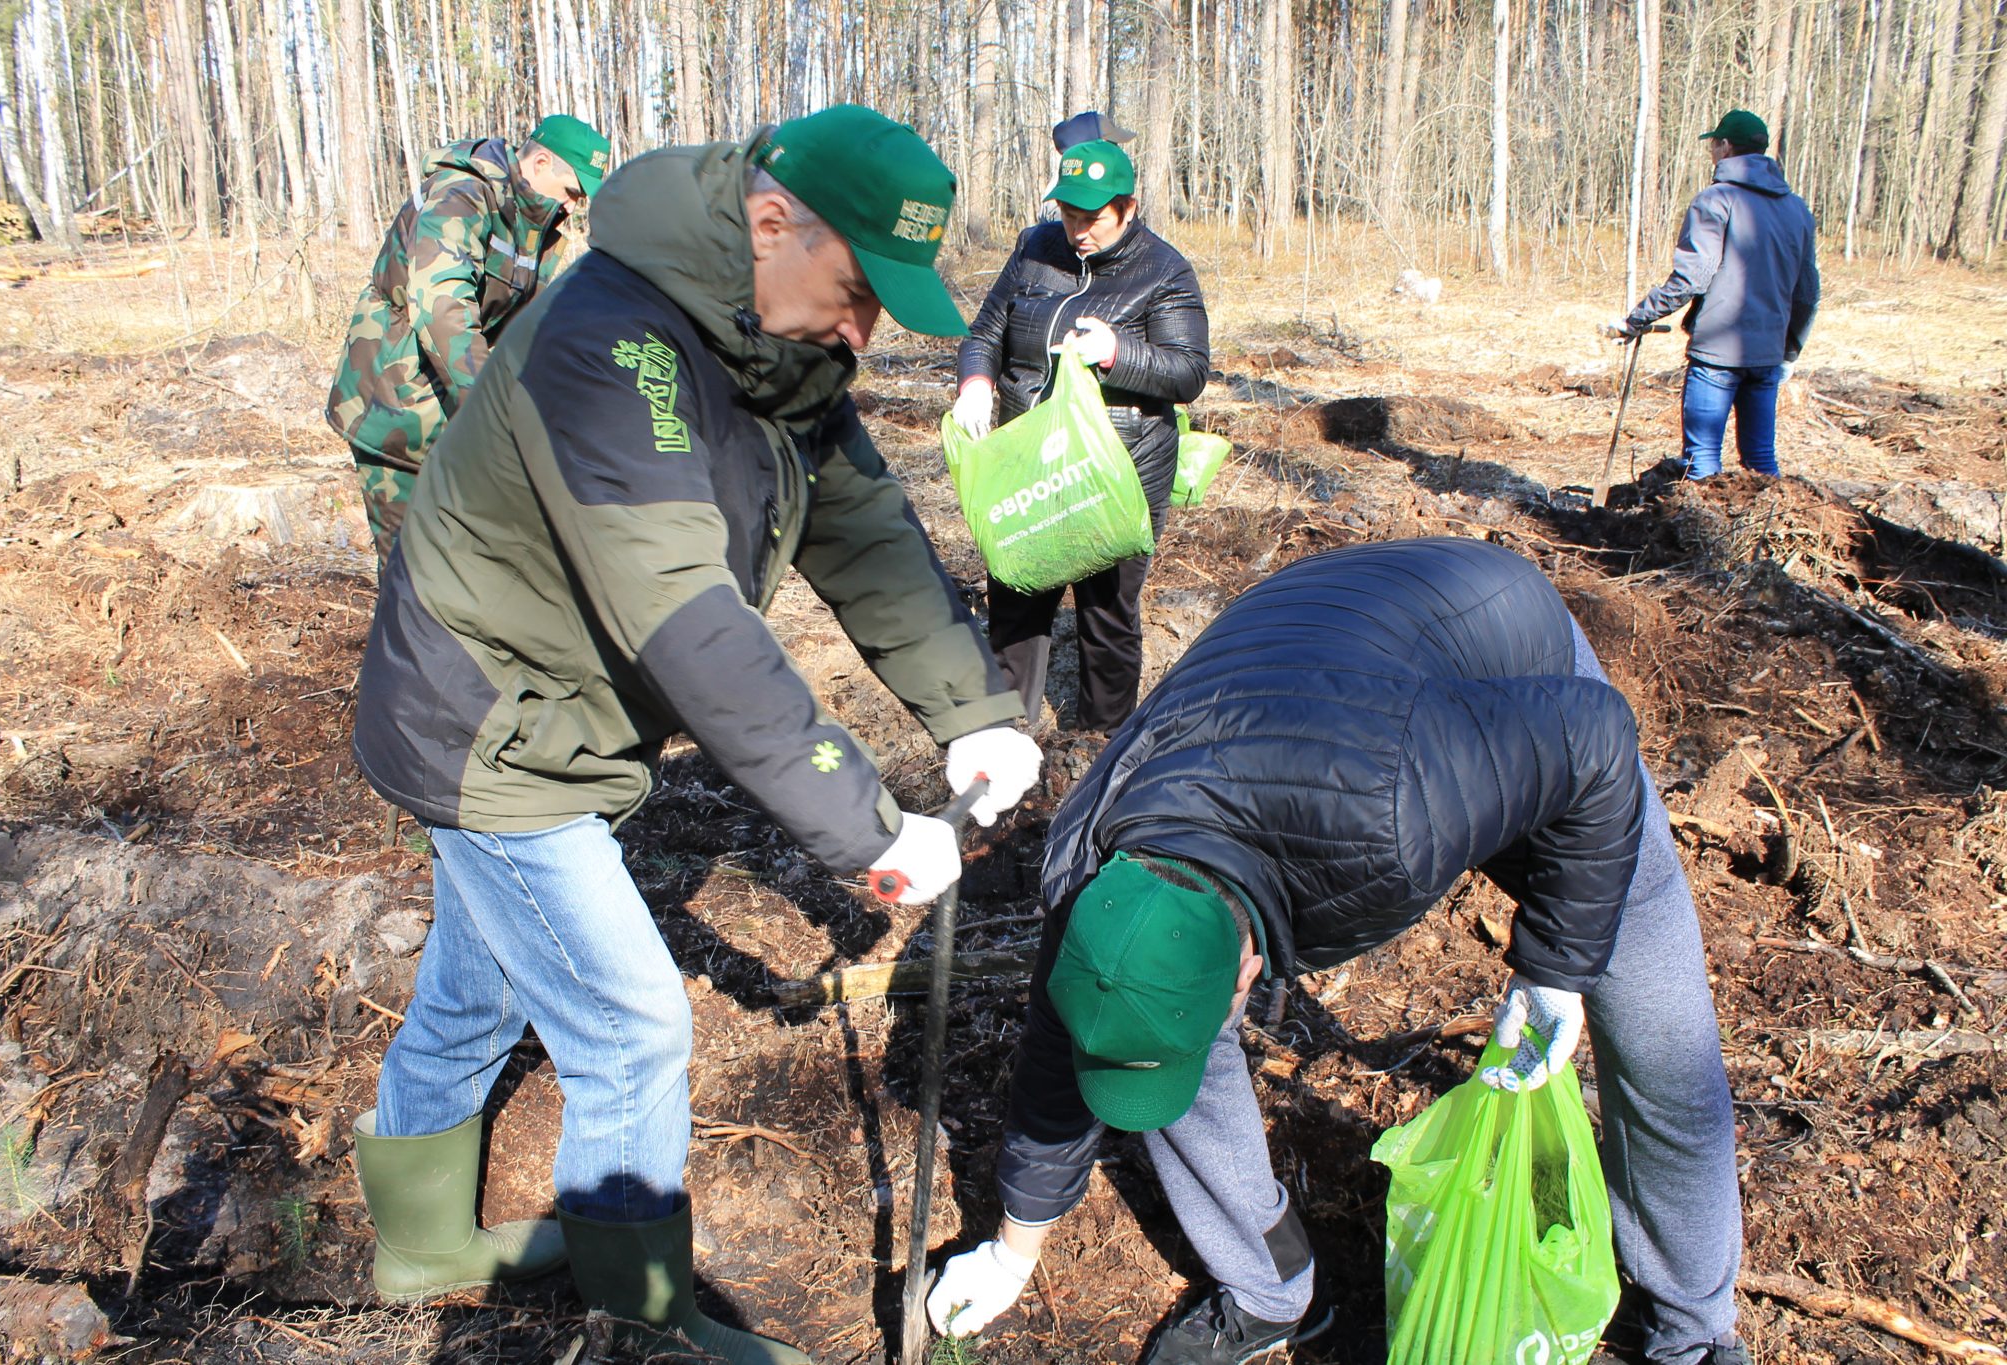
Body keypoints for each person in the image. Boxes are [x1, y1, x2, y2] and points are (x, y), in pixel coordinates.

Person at [348, 104, 1044, 1365]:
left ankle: (421, 1247)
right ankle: (643, 1328)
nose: (862, 330)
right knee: (630, 1028)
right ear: (768, 223)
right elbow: (693, 626)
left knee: (474, 984)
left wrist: (973, 713)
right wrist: (868, 831)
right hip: (487, 726)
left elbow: (866, 536)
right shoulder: (610, 344)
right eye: (854, 290)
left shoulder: (779, 348)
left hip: (564, 717)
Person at [925, 537, 1749, 1365]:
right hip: (1312, 655)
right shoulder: (1090, 872)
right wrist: (1012, 1246)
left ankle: (1694, 1325)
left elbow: (1594, 741)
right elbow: (1065, 1045)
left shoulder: (1393, 817)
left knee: (1651, 1002)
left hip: (1493, 642)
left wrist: (1556, 971)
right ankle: (1271, 1290)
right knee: (1158, 1022)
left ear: (1253, 970)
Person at [952, 139, 1209, 735]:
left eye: (1091, 219)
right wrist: (974, 382)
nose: (1076, 231)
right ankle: (1004, 734)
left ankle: (1099, 744)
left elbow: (1189, 371)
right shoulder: (1036, 249)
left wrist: (1120, 353)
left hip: (1118, 474)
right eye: (1068, 214)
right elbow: (987, 330)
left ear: (1129, 208)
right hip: (1032, 466)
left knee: (1107, 615)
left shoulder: (1163, 271)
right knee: (1017, 600)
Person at [326, 114, 610, 571]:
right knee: (410, 573)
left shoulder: (535, 221)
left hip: (446, 408)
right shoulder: (461, 195)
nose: (574, 206)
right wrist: (493, 413)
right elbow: (443, 309)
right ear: (539, 163)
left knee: (466, 567)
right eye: (573, 191)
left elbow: (530, 323)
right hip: (393, 405)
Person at [1617, 109, 1819, 481]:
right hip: (1768, 355)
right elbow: (1807, 294)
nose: (1712, 152)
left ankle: (1705, 538)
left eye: (1714, 144)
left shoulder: (1715, 201)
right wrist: (1789, 351)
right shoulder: (1797, 209)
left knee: (1702, 461)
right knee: (1762, 462)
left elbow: (1693, 277)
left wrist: (1637, 318)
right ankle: (1758, 535)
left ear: (1726, 147)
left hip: (1717, 356)